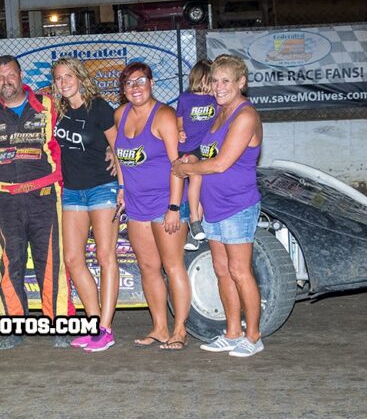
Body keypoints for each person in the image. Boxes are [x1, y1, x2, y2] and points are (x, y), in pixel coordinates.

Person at [0, 55, 71, 350]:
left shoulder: (48, 106)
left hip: (44, 198)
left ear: (21, 76)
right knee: (10, 263)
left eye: (10, 75)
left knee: (50, 262)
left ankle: (58, 325)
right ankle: (13, 327)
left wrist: (108, 152)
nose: (5, 81)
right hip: (2, 198)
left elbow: (75, 138)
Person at [172, 55, 265, 358]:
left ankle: (253, 336)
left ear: (241, 83)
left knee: (240, 271)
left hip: (238, 205)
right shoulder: (219, 113)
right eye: (215, 80)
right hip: (214, 206)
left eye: (227, 80)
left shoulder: (245, 115)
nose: (219, 86)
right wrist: (192, 159)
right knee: (222, 271)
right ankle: (232, 332)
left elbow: (223, 163)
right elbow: (206, 153)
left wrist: (188, 171)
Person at [113, 61, 190, 351]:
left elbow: (177, 166)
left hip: (164, 203)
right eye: (129, 83)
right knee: (148, 267)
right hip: (135, 205)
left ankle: (180, 329)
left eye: (141, 81)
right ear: (123, 89)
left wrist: (173, 206)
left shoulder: (165, 116)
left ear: (152, 83)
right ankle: (159, 327)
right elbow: (119, 157)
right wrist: (121, 187)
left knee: (172, 266)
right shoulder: (119, 115)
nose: (135, 88)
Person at [52, 57, 120, 353]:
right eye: (58, 78)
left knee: (106, 257)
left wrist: (123, 187)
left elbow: (120, 149)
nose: (64, 82)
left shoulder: (99, 107)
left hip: (102, 189)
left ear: (80, 77)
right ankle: (94, 325)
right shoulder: (58, 111)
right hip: (72, 192)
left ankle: (106, 329)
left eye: (69, 76)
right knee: (73, 259)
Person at [175, 59, 216, 251]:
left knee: (203, 188)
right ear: (201, 78)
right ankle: (194, 219)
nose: (214, 85)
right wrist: (180, 130)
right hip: (190, 148)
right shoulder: (185, 98)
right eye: (212, 80)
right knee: (196, 176)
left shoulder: (215, 99)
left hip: (207, 148)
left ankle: (193, 233)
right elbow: (179, 119)